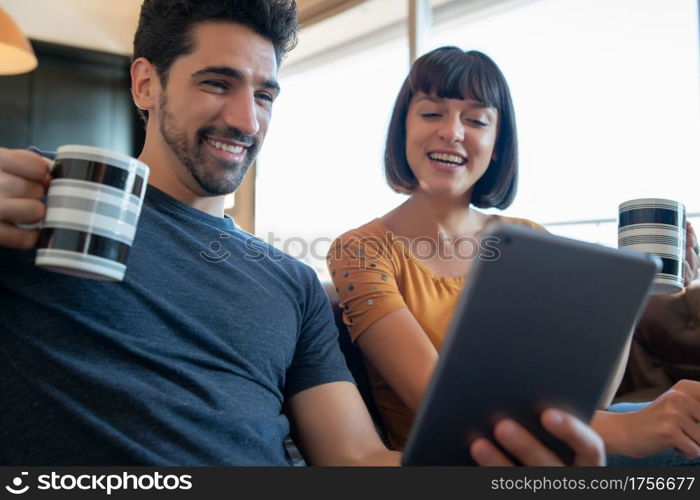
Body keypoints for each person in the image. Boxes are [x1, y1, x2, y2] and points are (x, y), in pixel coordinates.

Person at [0, 1, 604, 466]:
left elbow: (357, 459)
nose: (246, 119)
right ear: (145, 85)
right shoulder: (47, 196)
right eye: (217, 83)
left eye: (264, 94)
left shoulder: (290, 283)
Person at [327, 46, 700, 461]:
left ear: (498, 144)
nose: (452, 132)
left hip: (563, 444)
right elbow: (442, 401)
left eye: (476, 120)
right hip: (461, 459)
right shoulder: (360, 250)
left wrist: (629, 296)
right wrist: (622, 431)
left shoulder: (529, 238)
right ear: (403, 129)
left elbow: (590, 396)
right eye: (432, 113)